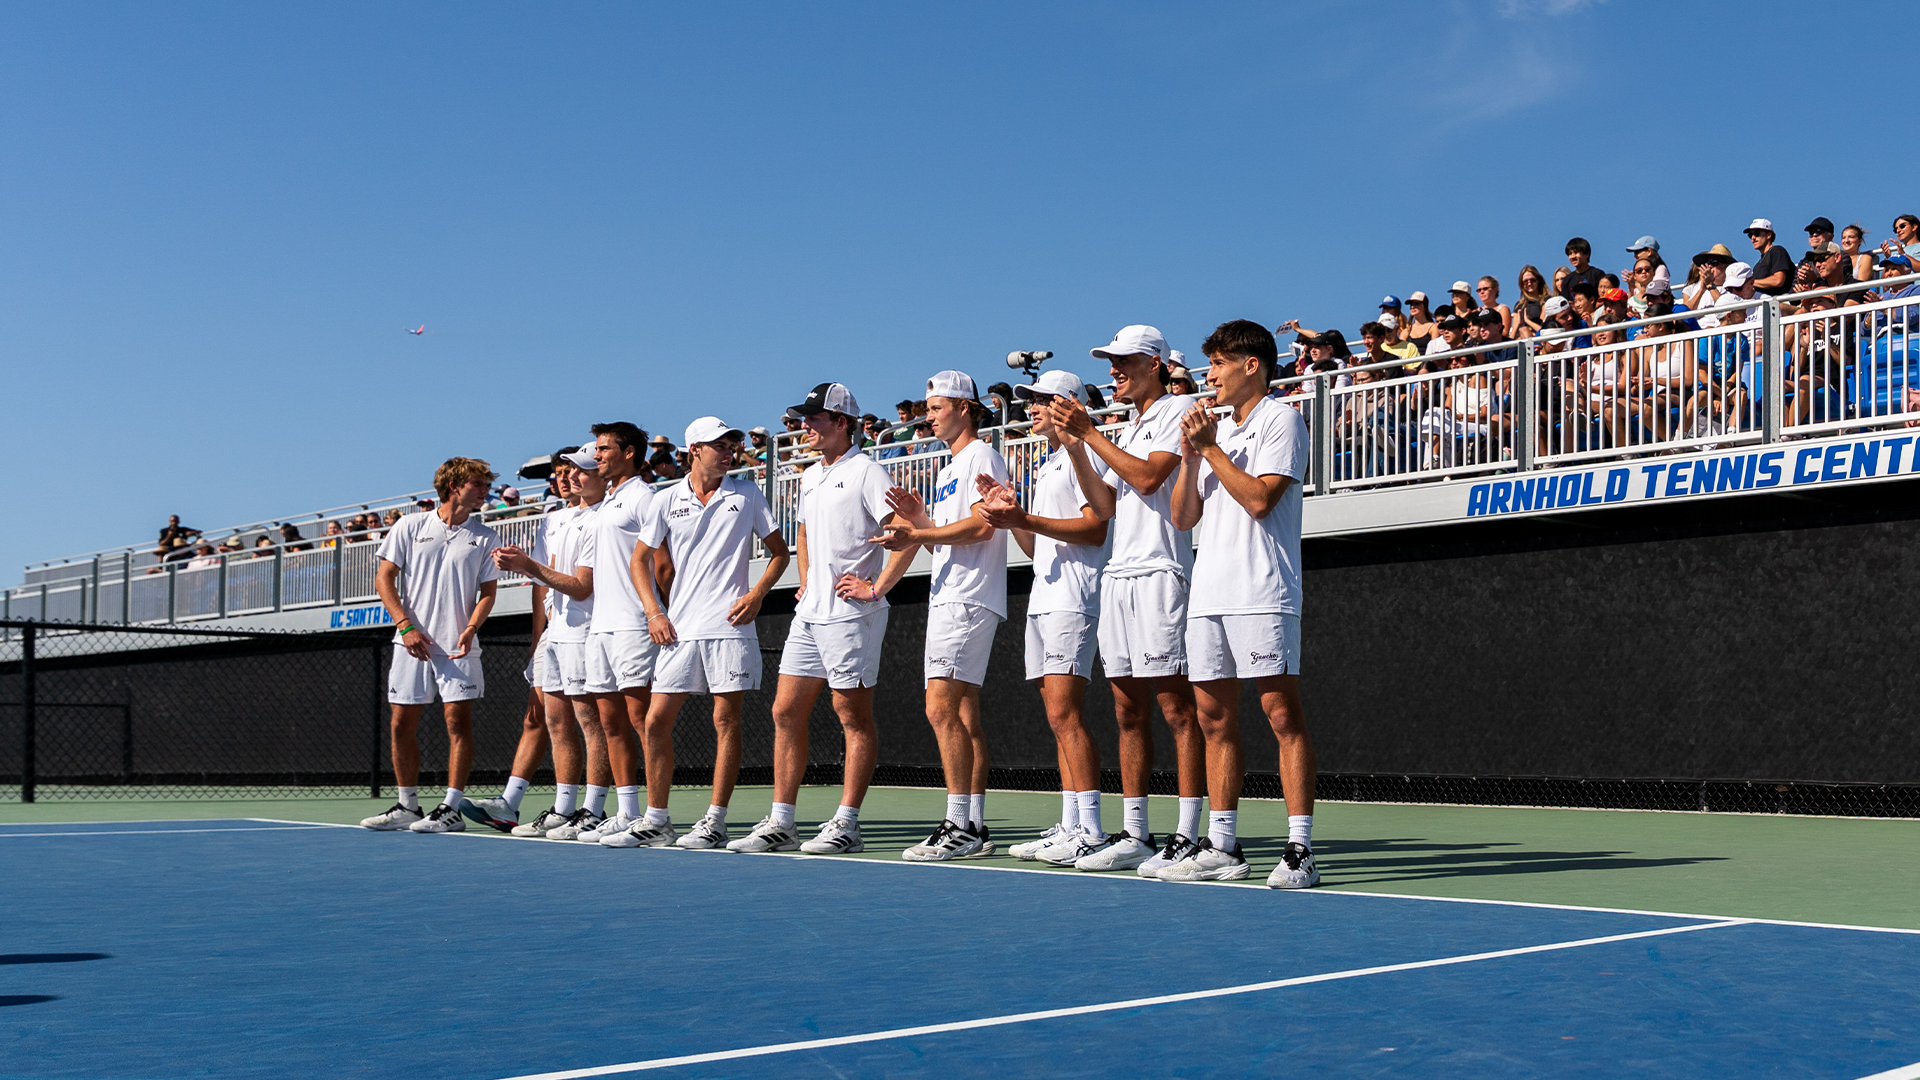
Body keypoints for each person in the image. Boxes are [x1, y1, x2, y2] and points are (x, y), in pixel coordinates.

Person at [1046, 325, 1207, 874]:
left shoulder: (1177, 408)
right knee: (1126, 710)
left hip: (1161, 573)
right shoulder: (1128, 426)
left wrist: (1089, 434)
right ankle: (1136, 833)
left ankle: (1188, 833)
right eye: (1110, 362)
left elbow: (1149, 478)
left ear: (1155, 364)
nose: (1114, 370)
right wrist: (1078, 449)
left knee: (1176, 709)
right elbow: (1105, 506)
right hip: (1118, 575)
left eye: (1125, 361)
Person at [1168, 320, 1318, 889]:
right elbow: (1183, 517)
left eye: (1218, 364)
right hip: (1209, 593)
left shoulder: (1282, 419)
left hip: (1263, 590)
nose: (1210, 376)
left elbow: (1259, 500)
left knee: (1281, 715)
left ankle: (1300, 849)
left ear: (1250, 365)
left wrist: (1210, 448)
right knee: (1213, 719)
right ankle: (1223, 844)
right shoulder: (1217, 432)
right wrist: (1191, 457)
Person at [736, 383, 916, 855]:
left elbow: (905, 533)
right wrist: (807, 579)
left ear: (841, 422)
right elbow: (803, 532)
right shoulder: (812, 474)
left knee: (852, 716)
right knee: (784, 711)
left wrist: (876, 588)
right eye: (804, 418)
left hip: (853, 615)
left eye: (814, 418)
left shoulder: (868, 472)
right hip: (810, 614)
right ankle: (782, 822)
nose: (805, 426)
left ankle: (847, 824)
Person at [613, 417, 790, 850]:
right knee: (655, 721)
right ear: (694, 450)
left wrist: (757, 595)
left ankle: (715, 821)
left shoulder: (747, 493)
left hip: (731, 627)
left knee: (725, 721)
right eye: (719, 446)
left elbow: (780, 554)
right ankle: (657, 820)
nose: (729, 453)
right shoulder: (664, 499)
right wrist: (654, 612)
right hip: (679, 630)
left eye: (732, 445)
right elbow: (639, 560)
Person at [968, 370, 1111, 867]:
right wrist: (1011, 514)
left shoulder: (1087, 454)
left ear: (1067, 405)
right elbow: (1035, 547)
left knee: (1066, 715)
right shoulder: (1050, 463)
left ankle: (1092, 830)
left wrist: (1023, 518)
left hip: (1075, 597)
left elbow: (1095, 530)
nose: (1029, 407)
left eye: (1039, 400)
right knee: (1056, 718)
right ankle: (1071, 824)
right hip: (1045, 597)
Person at [872, 370, 1008, 861]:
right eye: (927, 409)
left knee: (940, 709)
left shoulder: (981, 456)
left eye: (936, 408)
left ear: (964, 408)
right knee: (964, 715)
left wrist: (916, 534)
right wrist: (920, 519)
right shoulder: (951, 467)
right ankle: (973, 825)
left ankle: (959, 825)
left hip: (967, 599)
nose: (927, 417)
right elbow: (948, 540)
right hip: (953, 594)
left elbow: (982, 529)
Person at [358, 457, 504, 832]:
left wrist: (471, 627)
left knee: (457, 723)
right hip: (410, 643)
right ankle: (407, 806)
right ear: (454, 486)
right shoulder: (410, 526)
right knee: (400, 724)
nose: (486, 491)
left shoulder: (486, 537)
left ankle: (450, 808)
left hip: (458, 647)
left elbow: (488, 593)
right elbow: (384, 578)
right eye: (478, 484)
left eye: (487, 485)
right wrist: (405, 626)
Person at [487, 446, 612, 838]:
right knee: (556, 722)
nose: (568, 477)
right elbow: (543, 582)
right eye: (565, 471)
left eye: (577, 470)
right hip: (556, 634)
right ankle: (563, 809)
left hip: (587, 632)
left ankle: (594, 810)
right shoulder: (558, 518)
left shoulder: (603, 517)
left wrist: (527, 565)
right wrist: (538, 634)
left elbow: (581, 587)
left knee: (590, 721)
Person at [571, 422, 664, 844]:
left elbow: (663, 563)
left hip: (634, 624)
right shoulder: (607, 502)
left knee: (643, 721)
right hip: (600, 628)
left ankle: (656, 817)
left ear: (629, 453)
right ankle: (627, 812)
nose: (597, 456)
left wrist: (658, 612)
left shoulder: (645, 497)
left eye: (605, 448)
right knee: (610, 723)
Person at [1744, 218, 1794, 296]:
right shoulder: (1757, 266)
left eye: (1757, 233)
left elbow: (1778, 281)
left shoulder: (1777, 251)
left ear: (1769, 235)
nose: (1753, 238)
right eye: (1750, 235)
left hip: (1781, 300)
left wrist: (1750, 283)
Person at [1513, 266, 1549, 335]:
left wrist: (1527, 321)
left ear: (1538, 281)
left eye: (1532, 280)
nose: (1529, 284)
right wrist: (1518, 324)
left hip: (1539, 337)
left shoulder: (1546, 300)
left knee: (1524, 330)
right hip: (1521, 338)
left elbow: (1542, 329)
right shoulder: (1519, 305)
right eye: (1525, 282)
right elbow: (1512, 335)